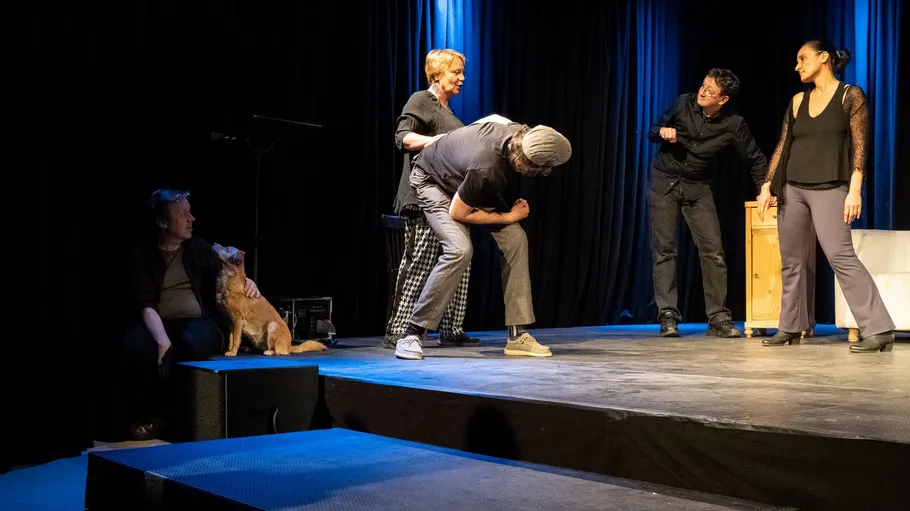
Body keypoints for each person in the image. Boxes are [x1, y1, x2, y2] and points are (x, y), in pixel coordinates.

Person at [393, 118, 572, 360]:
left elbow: (493, 118)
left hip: (464, 178)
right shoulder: (487, 168)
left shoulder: (514, 132)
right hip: (431, 180)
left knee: (516, 239)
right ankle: (411, 334)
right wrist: (508, 215)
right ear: (530, 165)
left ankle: (518, 335)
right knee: (459, 249)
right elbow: (459, 213)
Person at [760, 39, 895, 352]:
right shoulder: (797, 101)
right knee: (792, 261)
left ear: (823, 58)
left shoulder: (851, 96)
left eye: (803, 58)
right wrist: (768, 183)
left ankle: (879, 328)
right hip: (793, 188)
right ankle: (790, 326)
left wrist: (855, 190)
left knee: (840, 255)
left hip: (832, 187)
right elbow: (783, 145)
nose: (797, 66)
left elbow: (860, 147)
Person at [122, 188, 262, 439]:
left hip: (199, 322)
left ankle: (186, 418)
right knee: (136, 346)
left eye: (190, 212)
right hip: (158, 322)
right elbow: (146, 304)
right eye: (183, 214)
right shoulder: (141, 254)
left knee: (192, 341)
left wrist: (248, 282)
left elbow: (231, 269)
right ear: (163, 221)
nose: (192, 219)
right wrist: (162, 341)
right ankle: (155, 415)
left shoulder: (198, 248)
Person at [647, 68, 769, 338]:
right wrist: (663, 131)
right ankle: (668, 316)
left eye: (710, 91)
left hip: (698, 187)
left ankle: (718, 318)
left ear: (723, 99)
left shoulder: (734, 124)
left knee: (713, 252)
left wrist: (765, 189)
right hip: (663, 182)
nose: (702, 92)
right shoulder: (683, 102)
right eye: (703, 86)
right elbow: (652, 130)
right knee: (665, 251)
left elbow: (756, 159)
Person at [386, 48, 481, 348]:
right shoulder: (421, 100)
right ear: (437, 73)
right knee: (420, 263)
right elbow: (404, 138)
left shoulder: (450, 114)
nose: (462, 78)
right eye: (456, 72)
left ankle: (451, 329)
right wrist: (442, 140)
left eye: (462, 73)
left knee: (459, 261)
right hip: (421, 197)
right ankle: (399, 328)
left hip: (452, 202)